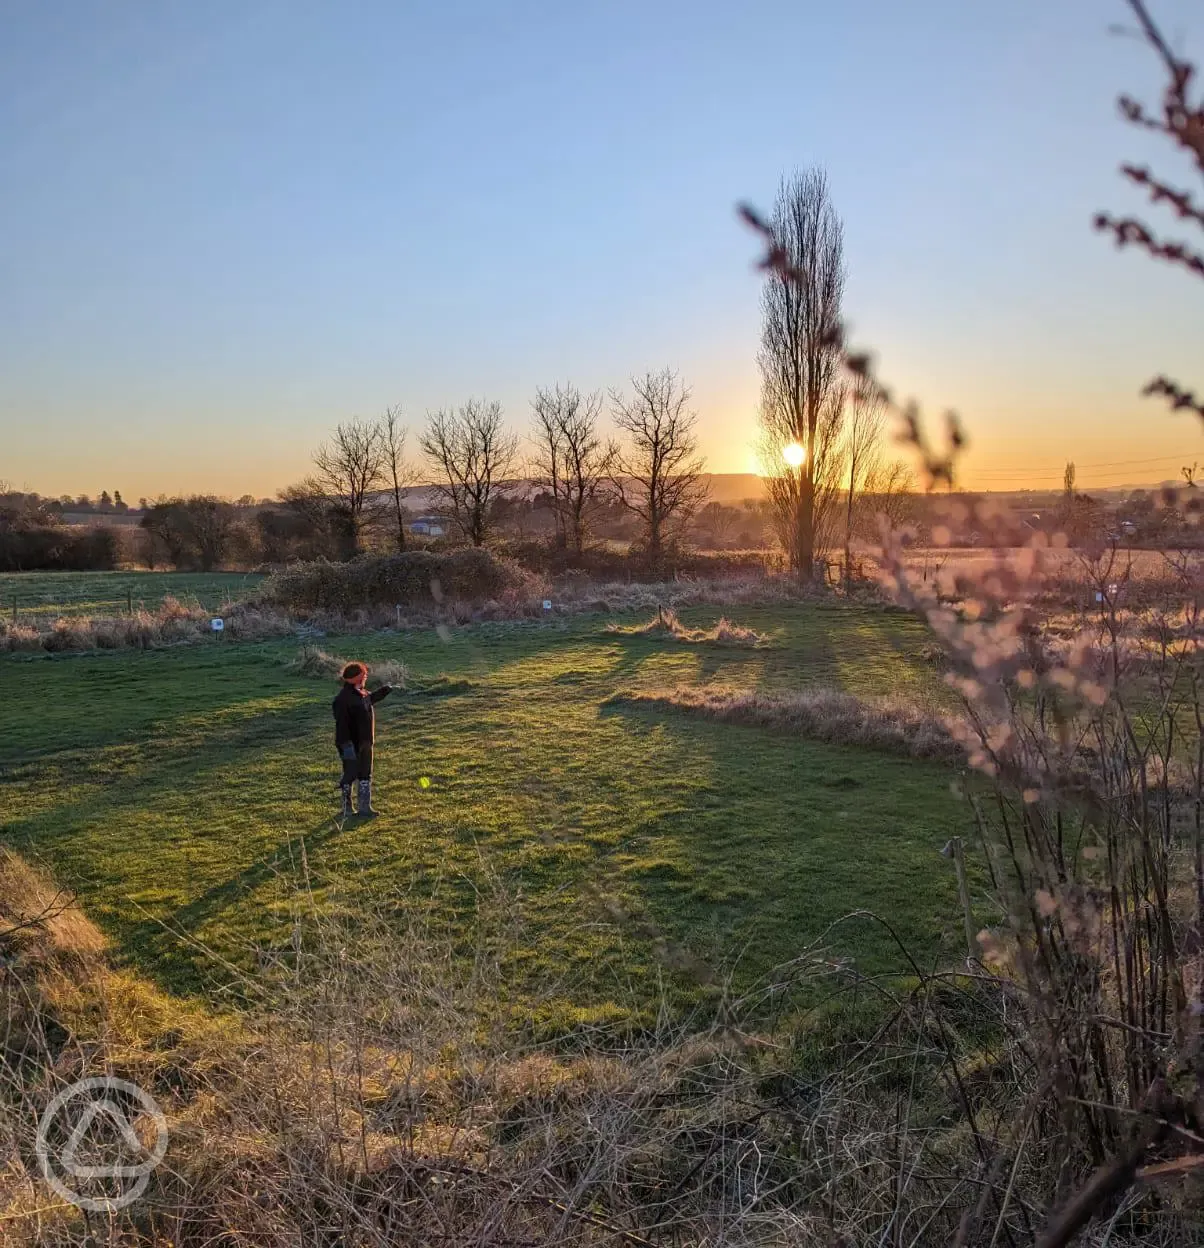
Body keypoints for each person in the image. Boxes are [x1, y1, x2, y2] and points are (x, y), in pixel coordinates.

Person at [332, 662, 394, 817]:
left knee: (365, 774)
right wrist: (346, 746)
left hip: (366, 742)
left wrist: (384, 691)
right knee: (350, 774)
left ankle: (364, 808)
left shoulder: (361, 693)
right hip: (351, 743)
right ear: (355, 677)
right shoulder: (342, 699)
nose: (366, 677)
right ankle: (347, 808)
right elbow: (342, 725)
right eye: (363, 675)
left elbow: (368, 701)